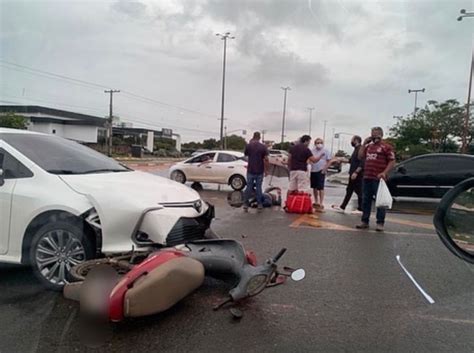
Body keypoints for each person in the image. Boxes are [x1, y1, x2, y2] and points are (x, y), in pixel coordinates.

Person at [356, 127, 396, 232]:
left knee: (380, 202)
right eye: (373, 133)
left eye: (377, 133)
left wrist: (384, 172)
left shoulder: (386, 147)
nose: (375, 135)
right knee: (366, 200)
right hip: (367, 177)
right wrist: (364, 143)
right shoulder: (369, 147)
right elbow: (360, 156)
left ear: (381, 135)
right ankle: (364, 221)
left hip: (378, 179)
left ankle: (380, 223)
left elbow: (392, 161)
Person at [331, 135, 364, 213]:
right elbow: (351, 161)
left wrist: (356, 172)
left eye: (352, 140)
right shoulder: (356, 149)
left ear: (356, 140)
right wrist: (342, 160)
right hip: (353, 174)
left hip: (357, 175)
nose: (351, 142)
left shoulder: (360, 149)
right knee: (349, 190)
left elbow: (362, 162)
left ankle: (361, 208)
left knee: (359, 191)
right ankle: (343, 207)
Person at [310, 138, 339, 212]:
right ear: (315, 143)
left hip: (321, 170)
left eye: (320, 142)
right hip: (313, 170)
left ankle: (321, 202)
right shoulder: (312, 151)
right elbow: (310, 160)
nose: (319, 144)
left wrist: (324, 169)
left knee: (321, 187)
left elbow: (329, 161)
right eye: (317, 142)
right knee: (314, 187)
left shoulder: (326, 151)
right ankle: (316, 201)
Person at [243, 131, 269, 212]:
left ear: (253, 137)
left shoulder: (248, 146)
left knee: (249, 187)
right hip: (260, 170)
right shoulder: (263, 147)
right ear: (260, 137)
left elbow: (246, 155)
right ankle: (259, 204)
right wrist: (266, 170)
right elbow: (266, 159)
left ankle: (246, 204)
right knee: (258, 188)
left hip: (250, 170)